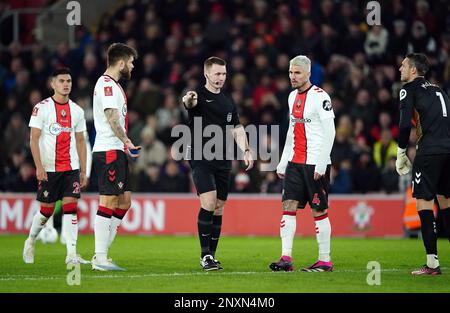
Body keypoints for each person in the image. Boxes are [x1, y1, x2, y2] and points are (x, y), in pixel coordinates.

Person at [182, 56, 254, 271]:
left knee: (220, 206)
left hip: (223, 159)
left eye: (224, 74)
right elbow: (188, 102)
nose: (221, 78)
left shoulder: (227, 100)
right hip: (201, 156)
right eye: (217, 74)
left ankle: (211, 256)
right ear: (206, 74)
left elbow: (237, 127)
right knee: (210, 202)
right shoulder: (198, 95)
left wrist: (246, 150)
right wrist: (188, 100)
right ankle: (204, 256)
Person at [270, 55, 336, 272]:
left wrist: (321, 163)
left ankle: (325, 260)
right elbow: (292, 131)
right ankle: (285, 258)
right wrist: (282, 161)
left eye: (297, 72)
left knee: (319, 211)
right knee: (287, 207)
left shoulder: (320, 97)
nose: (293, 76)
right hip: (295, 163)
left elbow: (330, 132)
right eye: (290, 72)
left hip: (315, 163)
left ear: (308, 73)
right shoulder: (291, 97)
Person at [23, 68, 89, 265]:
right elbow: (33, 140)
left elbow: (80, 142)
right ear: (53, 84)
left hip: (70, 168)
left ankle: (71, 254)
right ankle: (31, 240)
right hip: (49, 168)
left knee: (71, 208)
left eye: (68, 80)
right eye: (61, 81)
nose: (66, 84)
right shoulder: (41, 108)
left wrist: (83, 170)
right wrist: (39, 167)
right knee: (46, 212)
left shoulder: (77, 111)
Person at [396, 53, 450, 275]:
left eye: (403, 66)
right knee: (446, 203)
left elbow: (403, 122)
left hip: (428, 153)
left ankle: (432, 264)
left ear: (413, 71)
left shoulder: (408, 89)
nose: (400, 69)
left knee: (424, 204)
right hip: (448, 150)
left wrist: (401, 152)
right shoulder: (439, 90)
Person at [91, 43, 140, 271]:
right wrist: (127, 140)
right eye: (130, 62)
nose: (132, 66)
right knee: (109, 201)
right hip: (109, 149)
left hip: (116, 150)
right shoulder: (107, 85)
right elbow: (112, 118)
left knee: (125, 201)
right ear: (121, 63)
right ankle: (99, 257)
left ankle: (103, 254)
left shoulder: (113, 85)